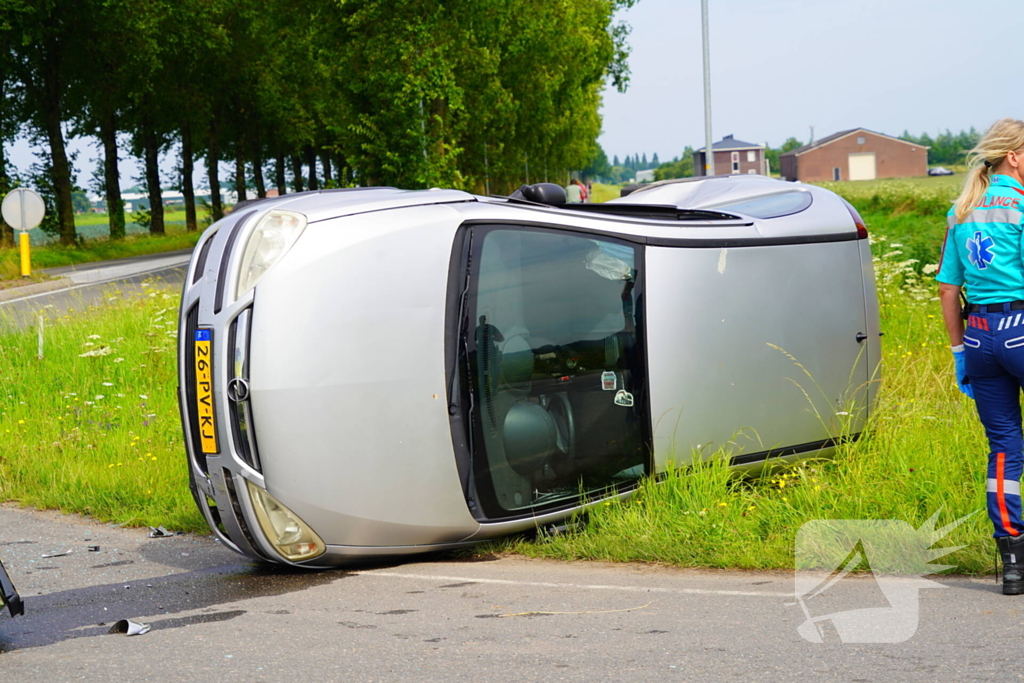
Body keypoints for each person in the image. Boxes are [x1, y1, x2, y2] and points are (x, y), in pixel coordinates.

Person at [936, 118, 1024, 594]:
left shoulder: (961, 208)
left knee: (1005, 450)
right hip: (1021, 327)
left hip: (981, 338)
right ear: (1014, 155)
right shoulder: (1023, 207)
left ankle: (1012, 563)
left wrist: (959, 352)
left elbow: (950, 289)